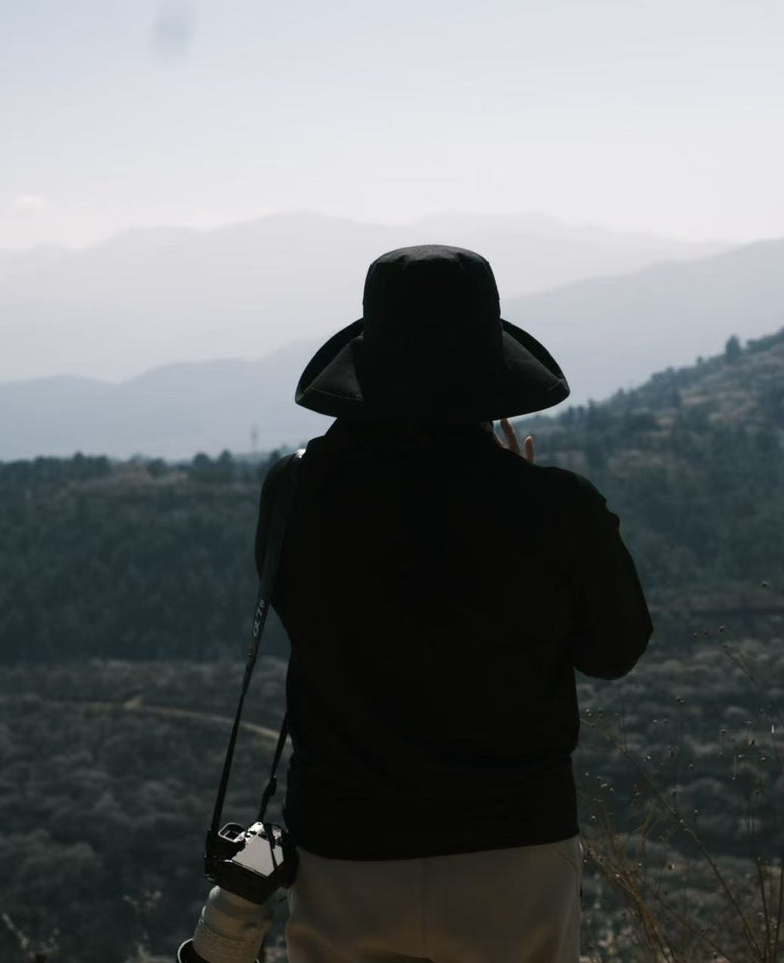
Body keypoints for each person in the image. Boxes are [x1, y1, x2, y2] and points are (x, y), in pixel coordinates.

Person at [255, 245, 653, 962]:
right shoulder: (553, 506)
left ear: (368, 367)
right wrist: (533, 508)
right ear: (490, 374)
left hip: (346, 844)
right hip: (514, 846)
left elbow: (297, 611)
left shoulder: (295, 492)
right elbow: (613, 650)